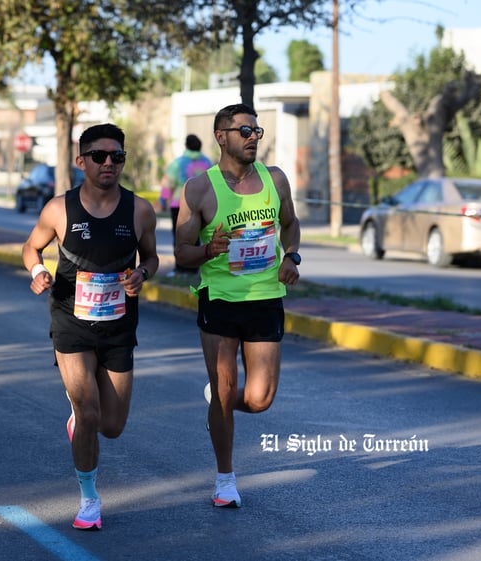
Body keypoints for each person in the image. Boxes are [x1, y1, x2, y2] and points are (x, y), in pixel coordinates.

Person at [21, 123, 159, 530]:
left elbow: (151, 258)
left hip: (118, 325)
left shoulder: (139, 210)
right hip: (71, 322)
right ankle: (89, 499)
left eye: (117, 156)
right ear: (81, 161)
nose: (108, 164)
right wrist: (37, 270)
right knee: (88, 409)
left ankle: (83, 421)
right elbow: (32, 246)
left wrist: (142, 275)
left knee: (112, 426)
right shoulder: (59, 209)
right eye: (99, 156)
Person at [174, 103, 301, 508]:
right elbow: (180, 253)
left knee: (260, 398)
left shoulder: (275, 179)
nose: (252, 137)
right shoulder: (199, 189)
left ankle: (220, 400)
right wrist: (208, 249)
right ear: (221, 136)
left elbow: (290, 224)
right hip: (221, 300)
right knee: (227, 387)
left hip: (265, 298)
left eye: (256, 131)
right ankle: (225, 479)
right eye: (244, 130)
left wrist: (290, 257)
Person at [160, 134, 211, 275]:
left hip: (179, 204)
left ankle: (180, 268)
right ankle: (195, 268)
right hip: (202, 205)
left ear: (186, 146)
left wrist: (163, 200)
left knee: (179, 238)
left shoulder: (178, 163)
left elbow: (167, 182)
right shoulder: (207, 162)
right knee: (197, 238)